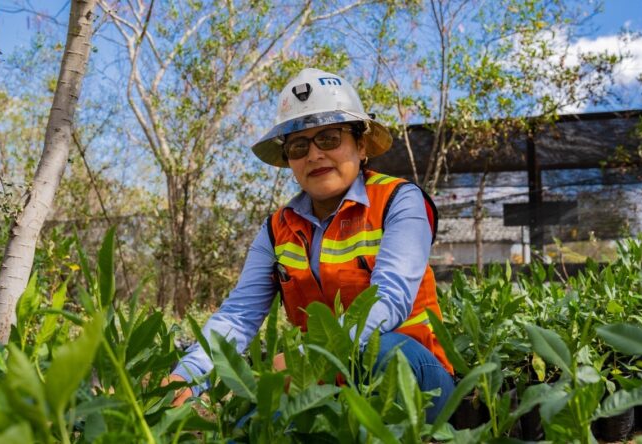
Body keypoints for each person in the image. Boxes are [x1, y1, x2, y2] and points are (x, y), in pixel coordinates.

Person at [162, 68, 455, 423]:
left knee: (385, 357)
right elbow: (238, 317)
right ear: (288, 160)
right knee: (249, 424)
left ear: (361, 146)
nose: (314, 155)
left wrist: (308, 357)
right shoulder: (276, 229)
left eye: (329, 138)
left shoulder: (399, 201)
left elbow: (389, 299)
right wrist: (186, 378)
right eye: (299, 146)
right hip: (319, 381)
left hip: (415, 372)